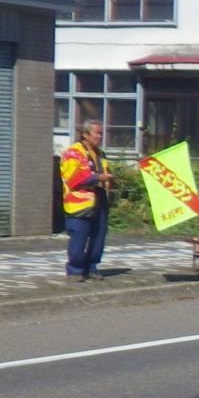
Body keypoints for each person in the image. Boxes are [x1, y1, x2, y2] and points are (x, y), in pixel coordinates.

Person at [61, 119, 113, 281]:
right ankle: (75, 269)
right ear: (85, 134)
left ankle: (92, 266)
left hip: (100, 201)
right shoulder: (72, 152)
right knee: (79, 237)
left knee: (99, 236)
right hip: (80, 203)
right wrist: (99, 177)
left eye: (101, 133)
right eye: (97, 133)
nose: (100, 137)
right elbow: (74, 177)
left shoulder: (100, 154)